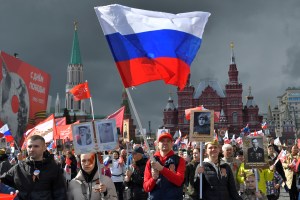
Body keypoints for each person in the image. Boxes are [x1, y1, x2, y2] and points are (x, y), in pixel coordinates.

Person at [0, 135, 67, 199]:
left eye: (36, 146)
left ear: (44, 148)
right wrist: (10, 191)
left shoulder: (54, 169)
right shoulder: (18, 168)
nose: (32, 149)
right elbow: (2, 182)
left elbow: (61, 194)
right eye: (29, 146)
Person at [143, 132, 186, 199]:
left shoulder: (180, 160)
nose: (165, 143)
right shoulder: (150, 161)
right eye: (162, 141)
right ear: (158, 144)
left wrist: (162, 169)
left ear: (172, 144)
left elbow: (179, 181)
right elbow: (146, 188)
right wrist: (153, 179)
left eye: (168, 141)